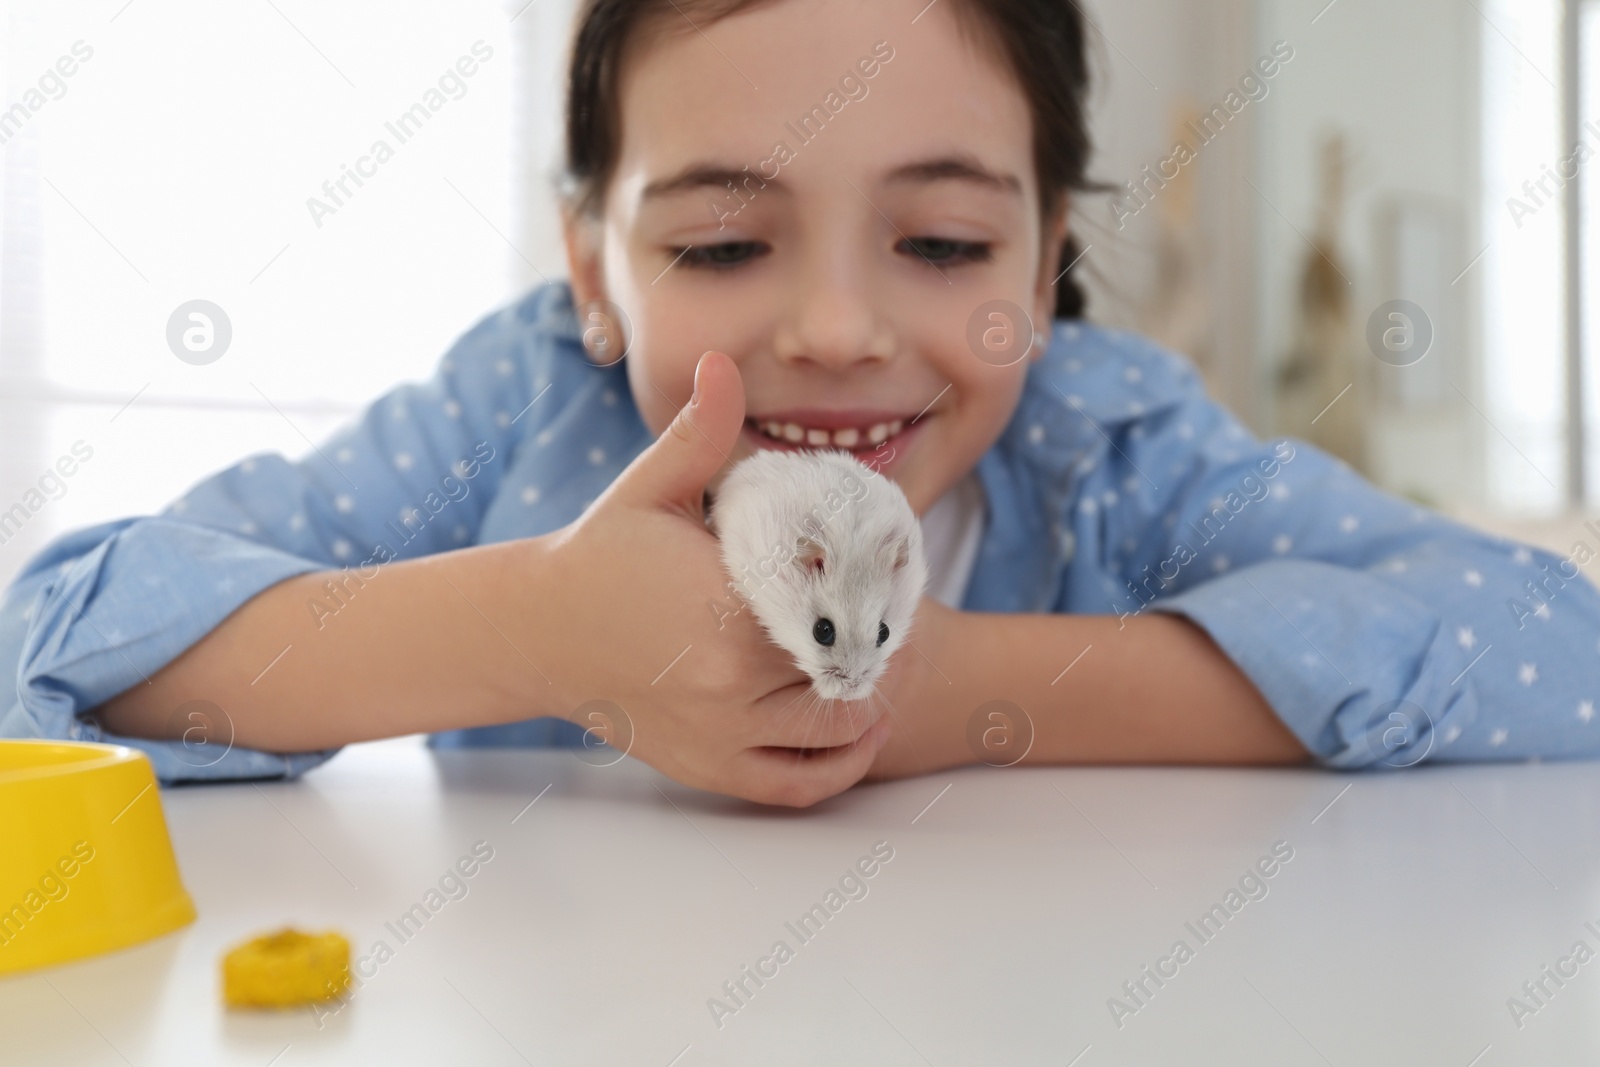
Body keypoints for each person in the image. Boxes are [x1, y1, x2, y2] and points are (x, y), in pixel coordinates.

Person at [3, 0, 1596, 807]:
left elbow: (1553, 650)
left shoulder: (1111, 445)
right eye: (719, 242)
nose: (836, 329)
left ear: (1043, 270)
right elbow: (61, 651)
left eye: (944, 243)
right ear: (594, 270)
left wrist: (971, 694)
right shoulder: (522, 410)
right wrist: (530, 629)